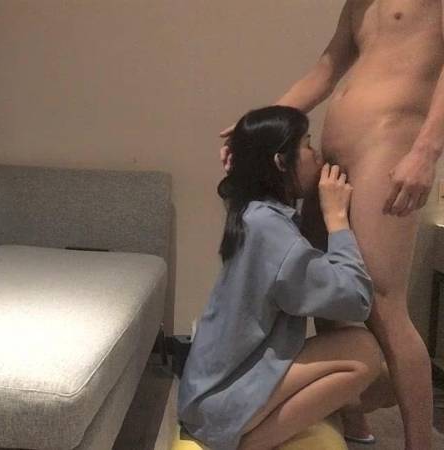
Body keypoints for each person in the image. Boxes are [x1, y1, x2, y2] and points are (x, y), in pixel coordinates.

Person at [219, 2, 441, 447]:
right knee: (327, 293)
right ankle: (354, 420)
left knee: (382, 303)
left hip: (387, 147)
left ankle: (420, 443)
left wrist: (426, 151)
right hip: (337, 152)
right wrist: (251, 133)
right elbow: (325, 71)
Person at [180, 105, 395, 450]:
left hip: (205, 393)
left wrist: (244, 152)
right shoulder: (271, 231)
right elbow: (356, 300)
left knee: (374, 373)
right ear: (281, 162)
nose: (317, 155)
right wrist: (337, 219)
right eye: (307, 145)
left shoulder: (252, 212)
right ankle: (247, 444)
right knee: (363, 351)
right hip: (220, 402)